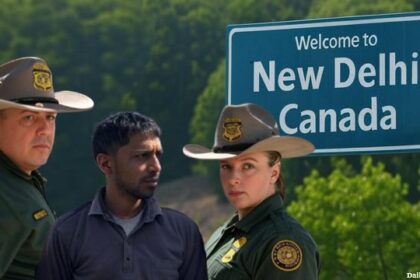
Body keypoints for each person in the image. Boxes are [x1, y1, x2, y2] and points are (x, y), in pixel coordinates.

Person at [36, 111, 208, 280]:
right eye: (143, 156)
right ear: (106, 164)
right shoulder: (66, 232)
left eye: (158, 155)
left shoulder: (183, 231)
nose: (156, 166)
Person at [183, 103, 321, 279]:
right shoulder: (225, 232)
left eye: (248, 166)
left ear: (274, 172)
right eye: (226, 166)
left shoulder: (282, 241)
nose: (234, 178)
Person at [0, 56, 94, 279]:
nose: (44, 130)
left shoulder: (18, 181)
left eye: (50, 117)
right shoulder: (6, 196)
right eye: (29, 117)